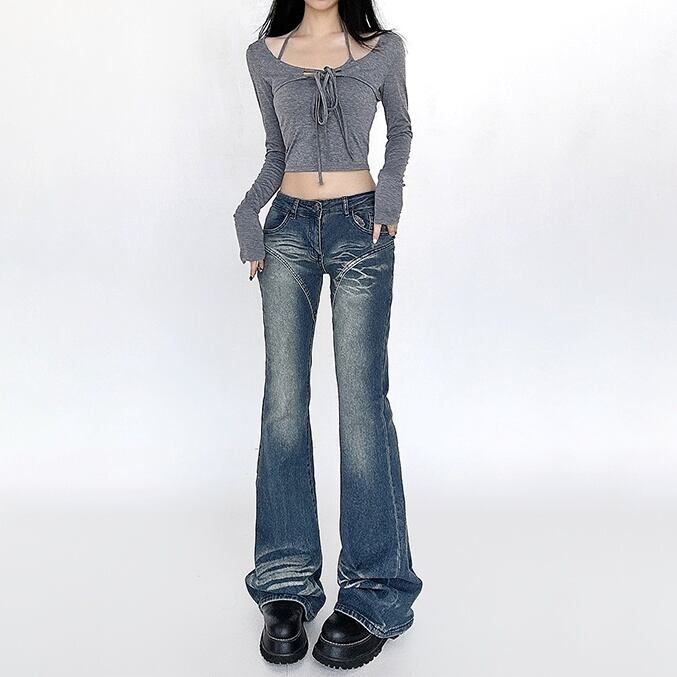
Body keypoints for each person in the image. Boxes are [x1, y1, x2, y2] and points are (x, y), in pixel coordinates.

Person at [233, 0, 423, 669]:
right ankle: (286, 582)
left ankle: (374, 590)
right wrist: (246, 213)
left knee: (362, 405)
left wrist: (390, 195)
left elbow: (400, 129)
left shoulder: (383, 49)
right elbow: (275, 153)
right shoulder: (263, 55)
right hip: (285, 231)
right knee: (283, 403)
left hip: (361, 227)